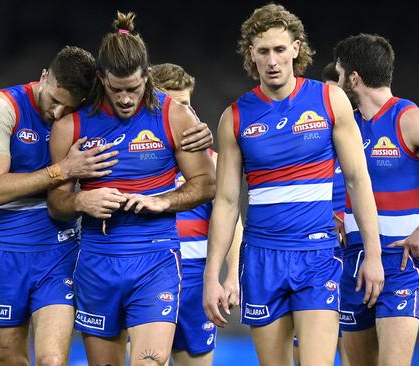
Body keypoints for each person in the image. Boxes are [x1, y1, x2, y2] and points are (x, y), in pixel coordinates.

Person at [0, 48, 213, 365]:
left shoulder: (93, 116)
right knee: (10, 360)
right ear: (44, 77)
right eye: (54, 101)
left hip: (60, 252)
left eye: (68, 106)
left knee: (52, 360)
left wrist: (192, 126)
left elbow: (206, 178)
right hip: (5, 248)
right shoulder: (5, 107)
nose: (58, 112)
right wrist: (68, 176)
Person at [202, 5, 384, 366]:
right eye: (264, 51)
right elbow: (225, 202)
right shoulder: (234, 117)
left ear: (296, 49)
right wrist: (213, 274)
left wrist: (374, 255)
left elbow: (357, 181)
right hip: (261, 259)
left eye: (280, 49)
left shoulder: (329, 101)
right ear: (250, 53)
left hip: (317, 256)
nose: (272, 60)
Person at [47, 12, 216, 366]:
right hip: (96, 261)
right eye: (116, 89)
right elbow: (56, 205)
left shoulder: (174, 116)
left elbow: (206, 184)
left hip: (156, 259)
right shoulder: (71, 126)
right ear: (100, 79)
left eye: (134, 89)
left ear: (147, 77)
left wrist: (162, 201)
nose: (126, 99)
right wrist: (81, 199)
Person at [334, 33, 419, 366]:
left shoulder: (411, 120)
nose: (333, 85)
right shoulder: (347, 126)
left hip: (400, 261)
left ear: (353, 78)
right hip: (351, 258)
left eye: (337, 75)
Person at [152, 63, 243, 366]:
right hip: (148, 279)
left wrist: (231, 275)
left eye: (187, 105)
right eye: (172, 105)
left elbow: (231, 220)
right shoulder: (140, 166)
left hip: (196, 283)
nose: (182, 115)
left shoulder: (210, 163)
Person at [292, 60, 351, 366]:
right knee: (308, 352)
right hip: (315, 255)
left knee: (355, 349)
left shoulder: (362, 142)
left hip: (355, 256)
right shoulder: (309, 141)